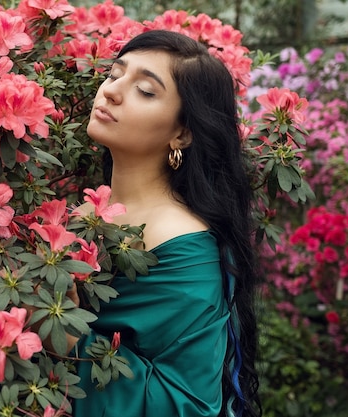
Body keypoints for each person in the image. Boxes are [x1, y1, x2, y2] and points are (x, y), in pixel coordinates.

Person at [68, 30, 262, 417]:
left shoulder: (183, 248)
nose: (111, 91)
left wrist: (70, 334)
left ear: (182, 132)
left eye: (145, 90)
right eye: (114, 74)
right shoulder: (91, 212)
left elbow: (187, 405)